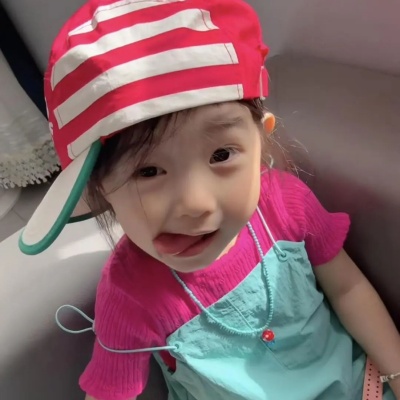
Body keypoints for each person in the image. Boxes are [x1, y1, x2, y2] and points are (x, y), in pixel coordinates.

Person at [19, 0, 400, 399]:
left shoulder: (286, 203)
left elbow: (348, 289)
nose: (196, 204)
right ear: (99, 189)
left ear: (260, 139)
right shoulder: (129, 295)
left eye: (221, 155)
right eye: (148, 172)